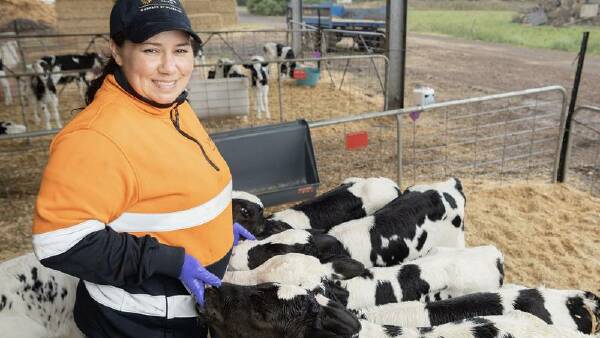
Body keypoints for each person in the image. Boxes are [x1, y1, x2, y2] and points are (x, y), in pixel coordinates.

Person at [31, 0, 255, 337]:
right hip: (142, 322)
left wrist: (220, 227)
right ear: (117, 52)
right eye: (152, 50)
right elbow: (58, 242)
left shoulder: (171, 105)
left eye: (181, 50)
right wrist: (169, 261)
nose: (170, 67)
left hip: (189, 310)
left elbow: (170, 192)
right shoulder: (96, 138)